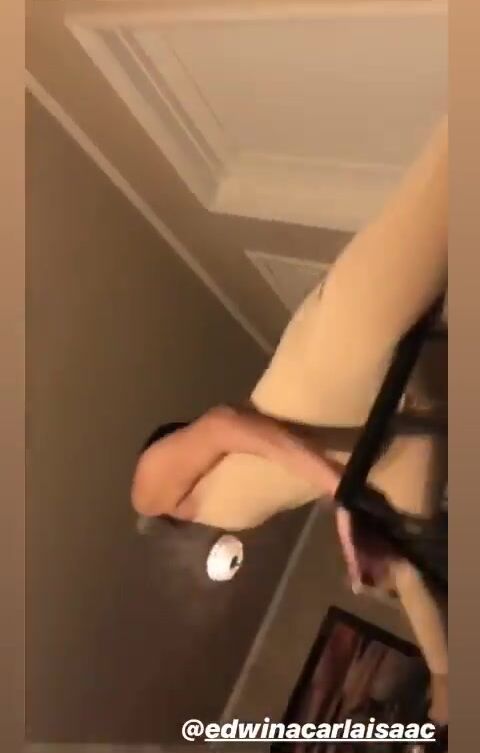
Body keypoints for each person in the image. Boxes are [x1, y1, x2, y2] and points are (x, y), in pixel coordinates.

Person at [131, 119, 448, 726]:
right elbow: (296, 483)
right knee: (416, 572)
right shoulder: (225, 521)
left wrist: (341, 495)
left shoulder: (151, 490)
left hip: (336, 353)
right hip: (380, 449)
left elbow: (225, 424)